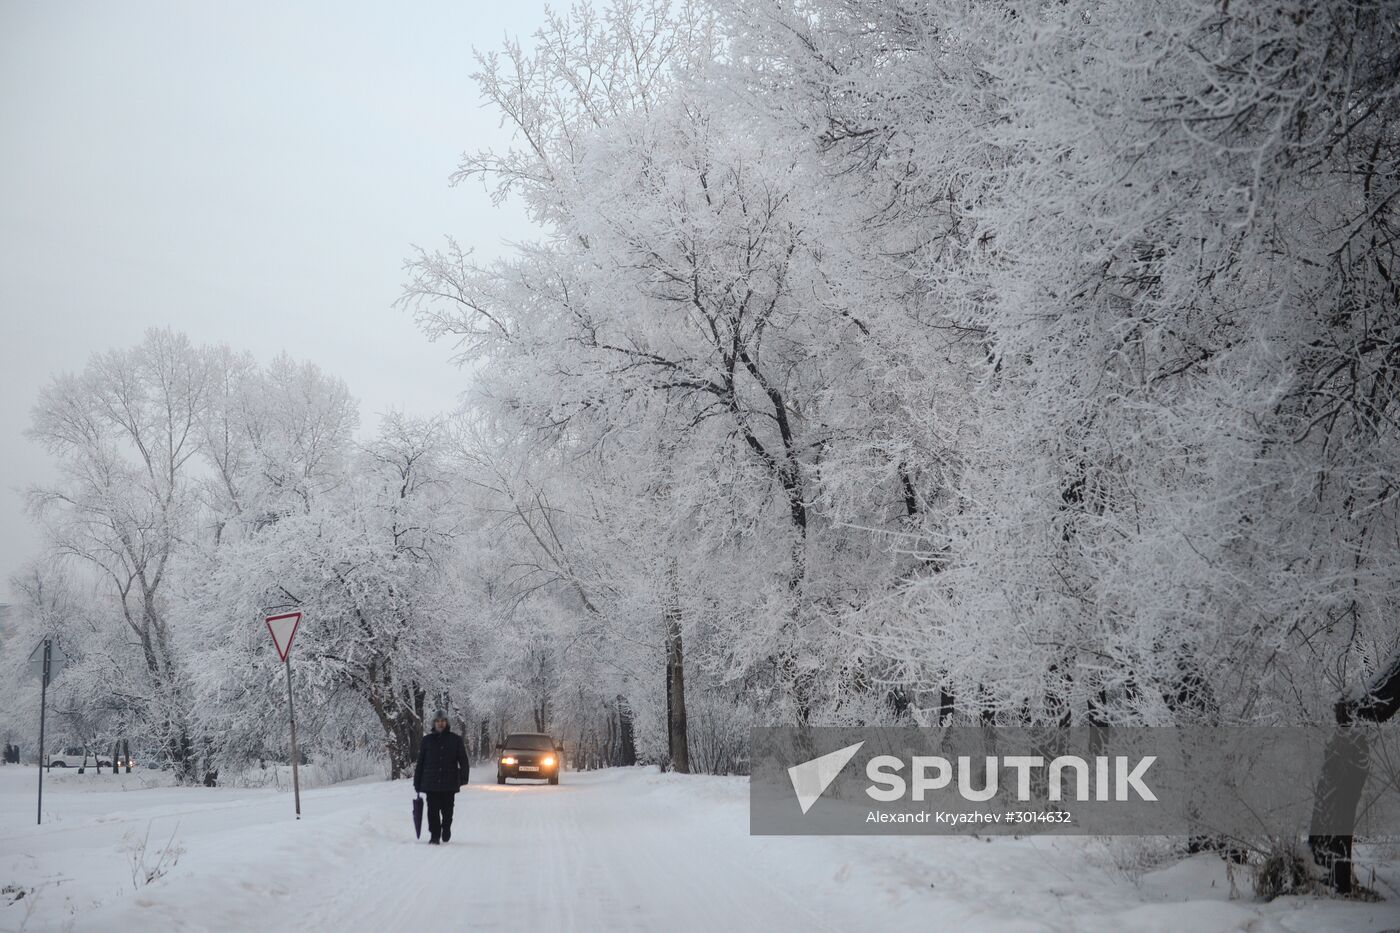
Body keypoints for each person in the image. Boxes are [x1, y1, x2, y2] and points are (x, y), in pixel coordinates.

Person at [414, 710, 470, 844]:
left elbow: (463, 760)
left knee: (447, 810)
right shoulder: (427, 740)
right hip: (431, 783)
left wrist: (463, 777)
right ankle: (434, 835)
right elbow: (420, 762)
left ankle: (446, 828)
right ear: (434, 723)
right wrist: (417, 781)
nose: (440, 724)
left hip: (449, 782)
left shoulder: (455, 740)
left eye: (443, 721)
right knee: (432, 811)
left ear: (447, 723)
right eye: (438, 721)